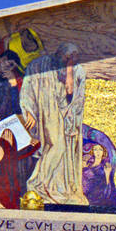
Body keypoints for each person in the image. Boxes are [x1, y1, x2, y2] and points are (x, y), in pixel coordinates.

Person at [21, 43, 88, 205]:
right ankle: (37, 183)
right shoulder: (39, 65)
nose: (68, 63)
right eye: (66, 59)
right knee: (56, 146)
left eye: (72, 60)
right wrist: (28, 109)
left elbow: (77, 97)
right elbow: (27, 87)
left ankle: (57, 187)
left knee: (63, 151)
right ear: (58, 55)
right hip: (47, 111)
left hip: (67, 116)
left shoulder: (77, 71)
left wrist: (70, 72)